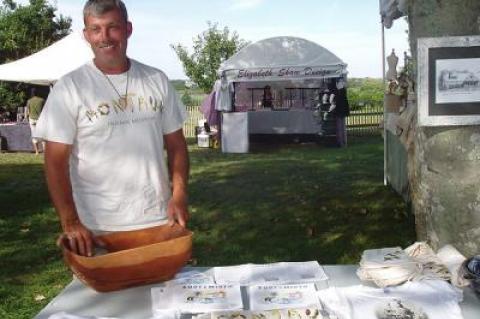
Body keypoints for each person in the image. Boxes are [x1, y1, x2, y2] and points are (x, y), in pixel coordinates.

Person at [35, 0, 189, 257]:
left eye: (112, 27)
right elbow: (54, 161)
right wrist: (70, 221)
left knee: (163, 294)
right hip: (97, 229)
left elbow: (177, 145)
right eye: (95, 29)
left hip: (160, 221)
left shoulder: (156, 80)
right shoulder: (70, 87)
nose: (104, 37)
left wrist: (180, 194)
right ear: (86, 35)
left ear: (128, 29)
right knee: (105, 297)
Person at [25, 87, 46, 155]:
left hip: (32, 120)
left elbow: (27, 112)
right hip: (40, 119)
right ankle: (44, 151)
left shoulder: (29, 101)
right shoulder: (42, 100)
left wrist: (27, 117)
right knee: (42, 136)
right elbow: (45, 110)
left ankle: (37, 152)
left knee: (34, 136)